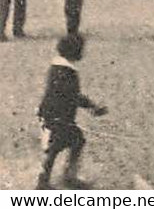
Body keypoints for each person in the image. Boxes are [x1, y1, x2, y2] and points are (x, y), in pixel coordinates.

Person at [35, 34, 108, 190]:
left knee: (69, 142)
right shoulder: (67, 72)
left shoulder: (58, 68)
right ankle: (56, 179)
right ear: (75, 52)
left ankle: (57, 178)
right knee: (62, 145)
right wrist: (93, 107)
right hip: (58, 117)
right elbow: (73, 95)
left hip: (56, 116)